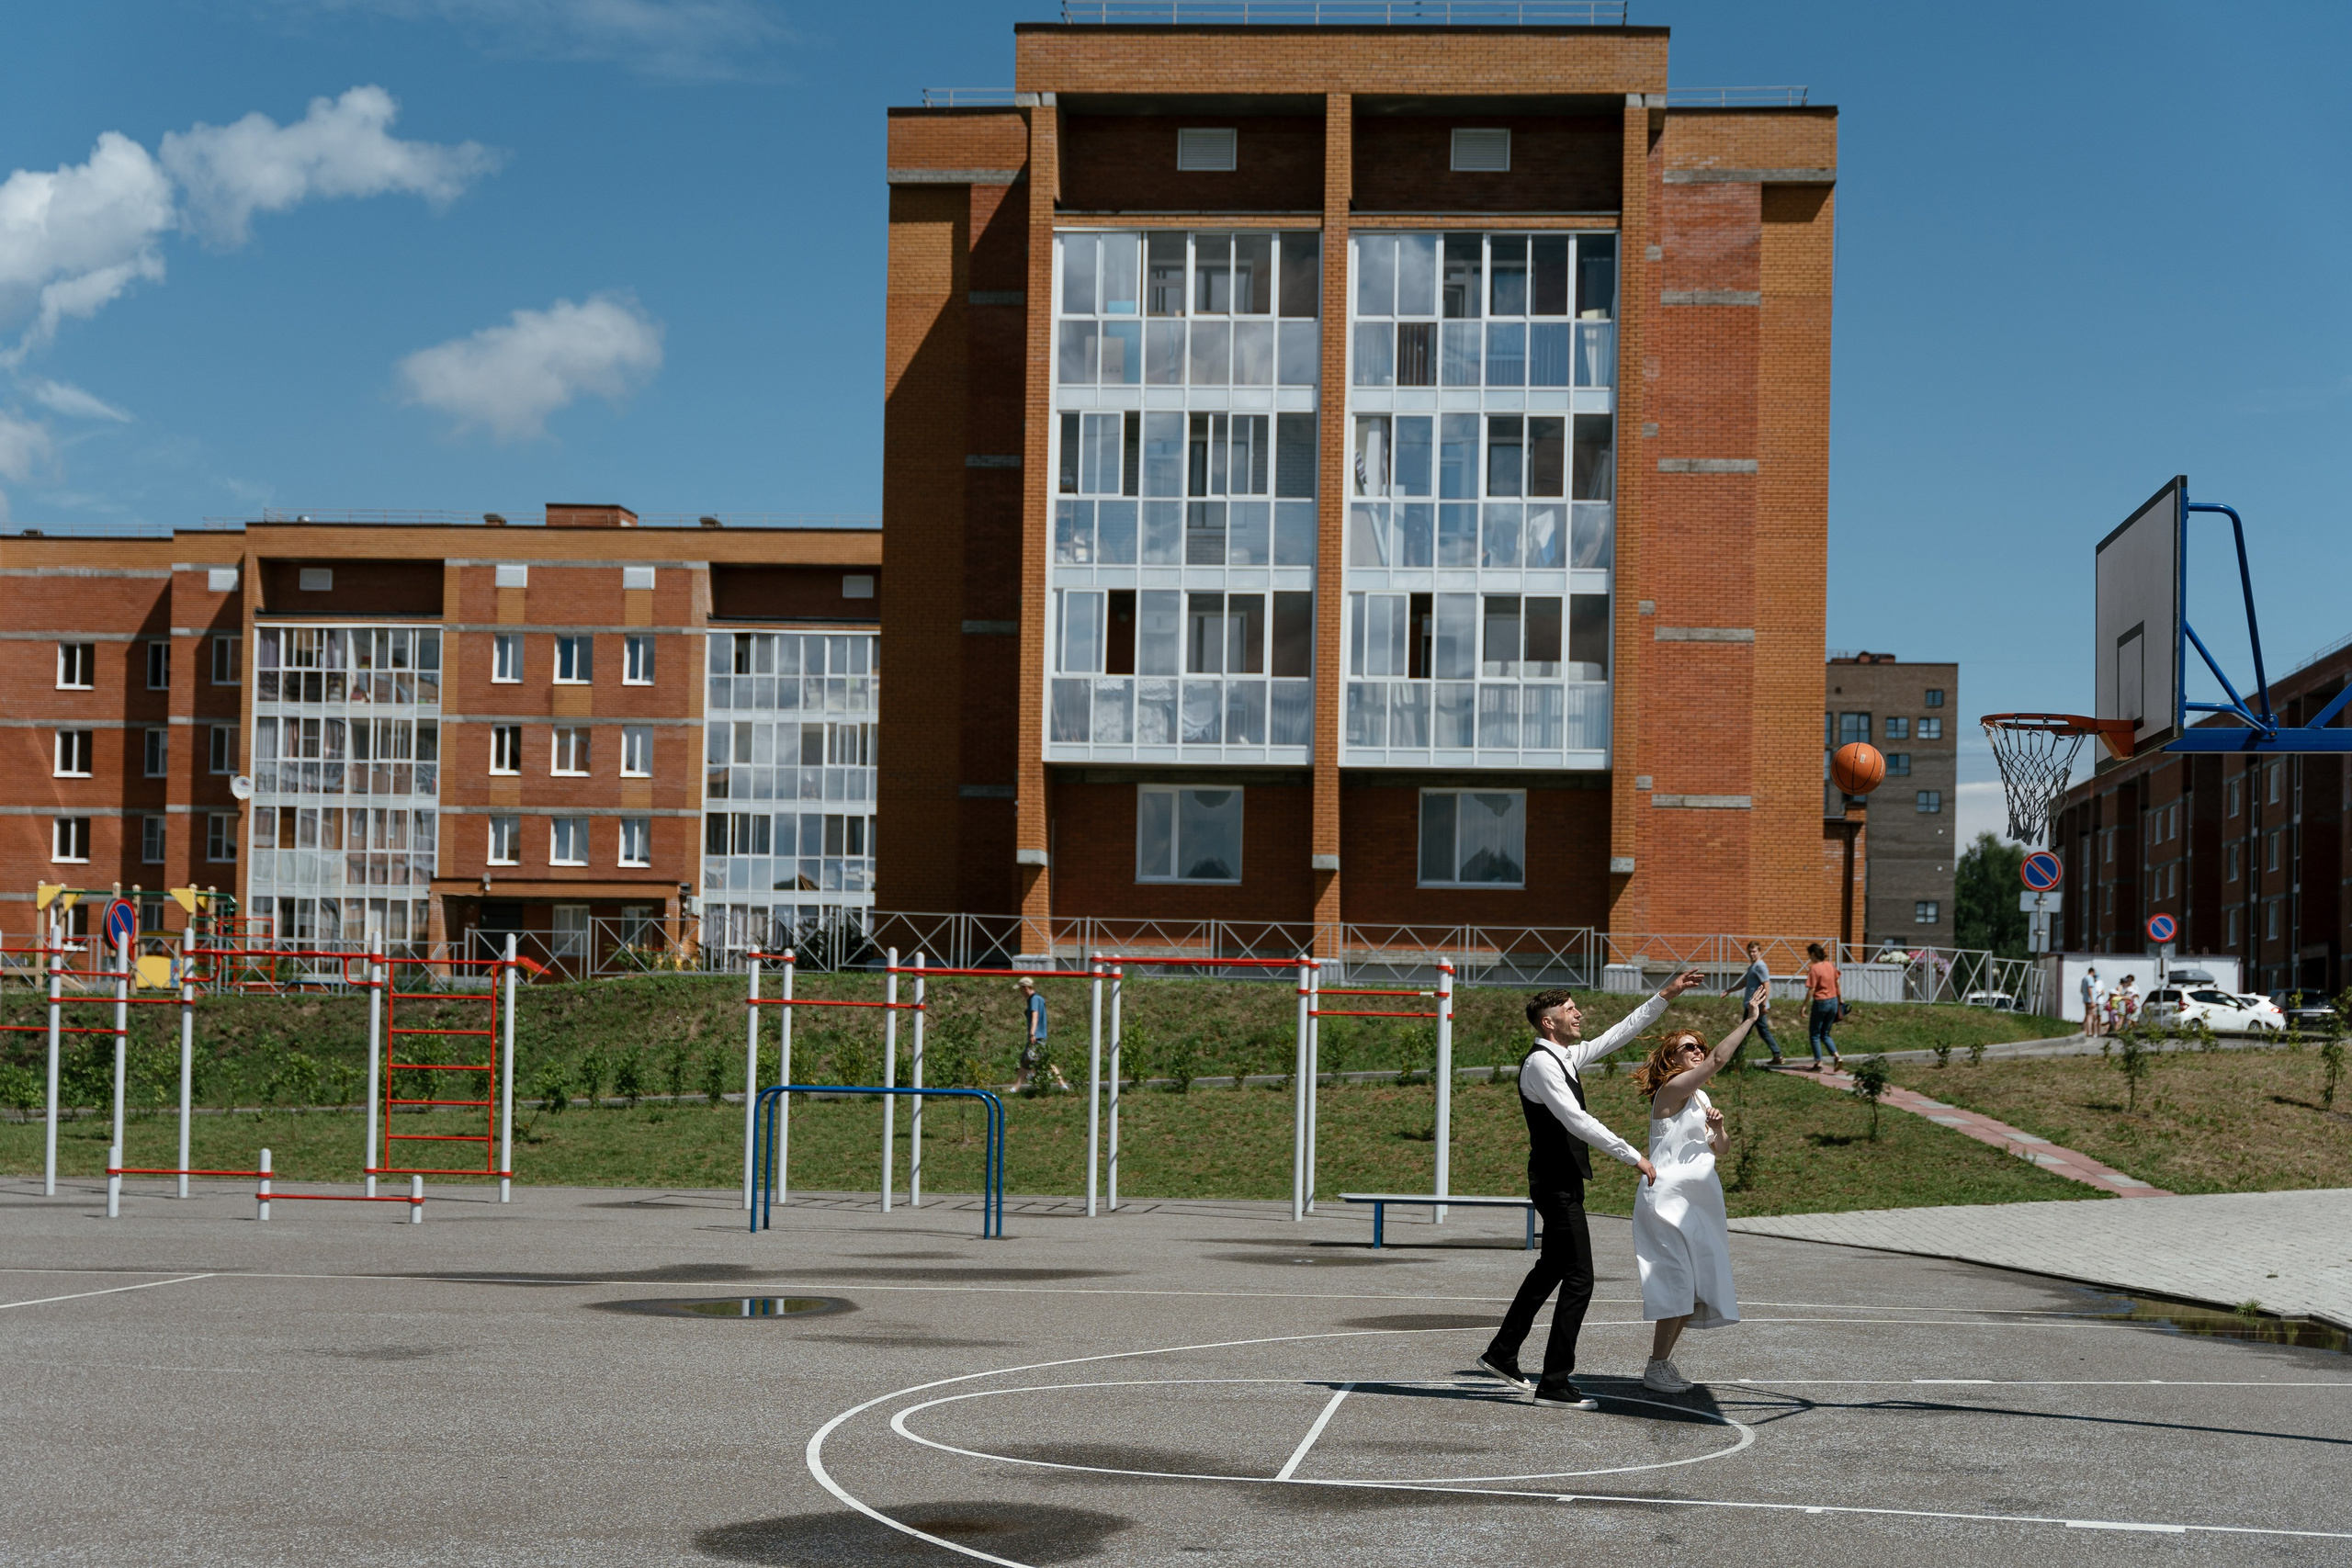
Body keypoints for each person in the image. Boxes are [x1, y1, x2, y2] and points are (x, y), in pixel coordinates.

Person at [1478, 968, 1705, 1410]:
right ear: (1549, 1022)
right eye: (1568, 1010)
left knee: (1551, 1269)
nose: (1578, 1014)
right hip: (1554, 1184)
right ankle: (1554, 1383)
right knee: (1579, 1278)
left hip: (1562, 1182)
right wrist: (1633, 1155)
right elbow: (1576, 1120)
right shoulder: (1541, 1064)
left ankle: (1502, 1354)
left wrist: (1666, 995)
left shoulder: (1565, 1057)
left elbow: (1622, 1033)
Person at [1629, 998, 1759, 1393]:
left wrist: (1718, 1130)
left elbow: (1721, 1149)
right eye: (1689, 1047)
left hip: (1698, 1204)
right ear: (1672, 1058)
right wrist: (1751, 1019)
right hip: (1667, 1202)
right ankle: (1655, 1368)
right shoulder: (1671, 1091)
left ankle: (1661, 1363)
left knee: (1697, 1287)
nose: (1698, 1051)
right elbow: (1719, 1059)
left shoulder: (1701, 1099)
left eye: (1699, 1046)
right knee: (1678, 1286)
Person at [1722, 941, 1783, 1066]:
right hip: (1752, 1005)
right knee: (1758, 1031)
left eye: (1754, 951)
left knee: (1745, 1031)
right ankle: (1777, 1055)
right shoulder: (1753, 966)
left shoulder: (1760, 966)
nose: (1752, 954)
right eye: (1750, 951)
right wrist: (1729, 990)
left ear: (1760, 952)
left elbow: (1766, 984)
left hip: (1757, 1006)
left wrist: (1764, 1004)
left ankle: (1737, 1059)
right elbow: (1744, 982)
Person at [1012, 979, 1067, 1093]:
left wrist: (1032, 1033)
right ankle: (1015, 1088)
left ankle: (1061, 1085)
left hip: (1037, 1036)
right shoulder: (1037, 999)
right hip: (1039, 1036)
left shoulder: (1034, 1000)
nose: (1020, 992)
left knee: (1036, 1061)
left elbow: (1035, 1017)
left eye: (1021, 989)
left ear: (1026, 988)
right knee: (1027, 1061)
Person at [1803, 942, 1843, 1071]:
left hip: (1821, 1003)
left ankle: (1818, 1063)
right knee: (1825, 1033)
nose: (1809, 957)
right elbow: (1837, 983)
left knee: (1814, 1033)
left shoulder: (1814, 969)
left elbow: (1811, 989)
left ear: (1814, 954)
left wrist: (1804, 1006)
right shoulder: (1830, 965)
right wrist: (1840, 1000)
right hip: (1833, 1001)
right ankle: (1836, 1056)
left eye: (1810, 955)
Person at [2080, 965, 2102, 1038]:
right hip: (2090, 1000)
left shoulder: (2084, 979)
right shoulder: (2090, 979)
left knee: (2087, 1014)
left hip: (2086, 999)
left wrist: (2085, 996)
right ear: (2092, 972)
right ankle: (2089, 1031)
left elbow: (2082, 990)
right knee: (2091, 1015)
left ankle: (2085, 1030)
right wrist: (2092, 1000)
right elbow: (2090, 989)